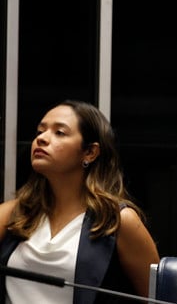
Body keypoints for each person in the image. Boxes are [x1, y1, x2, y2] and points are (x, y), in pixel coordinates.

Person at [0, 100, 160, 303]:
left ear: (90, 152)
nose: (41, 139)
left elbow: (158, 298)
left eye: (59, 132)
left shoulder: (119, 221)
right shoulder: (13, 213)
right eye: (40, 131)